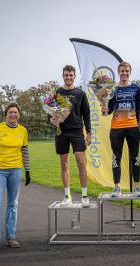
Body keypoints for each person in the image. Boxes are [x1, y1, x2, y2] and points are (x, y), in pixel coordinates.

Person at [0, 103, 31, 253]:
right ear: (5, 114)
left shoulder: (23, 130)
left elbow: (25, 151)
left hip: (16, 170)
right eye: (10, 112)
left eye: (15, 112)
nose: (13, 115)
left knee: (13, 204)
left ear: (19, 114)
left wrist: (28, 171)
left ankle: (11, 237)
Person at [50, 65, 91, 207]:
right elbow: (52, 112)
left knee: (80, 162)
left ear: (74, 76)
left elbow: (86, 114)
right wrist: (52, 119)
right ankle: (67, 196)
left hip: (77, 132)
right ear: (63, 76)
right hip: (62, 132)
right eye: (66, 75)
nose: (68, 77)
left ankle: (85, 195)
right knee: (64, 163)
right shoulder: (58, 93)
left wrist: (89, 133)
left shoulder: (80, 93)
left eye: (71, 75)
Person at [102, 61, 140, 197]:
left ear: (130, 72)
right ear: (118, 72)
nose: (124, 73)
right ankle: (116, 187)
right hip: (116, 128)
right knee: (116, 158)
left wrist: (138, 126)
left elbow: (138, 108)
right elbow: (109, 110)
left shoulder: (136, 88)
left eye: (126, 71)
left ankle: (136, 187)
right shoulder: (113, 89)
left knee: (135, 157)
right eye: (122, 71)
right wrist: (104, 107)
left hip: (132, 127)